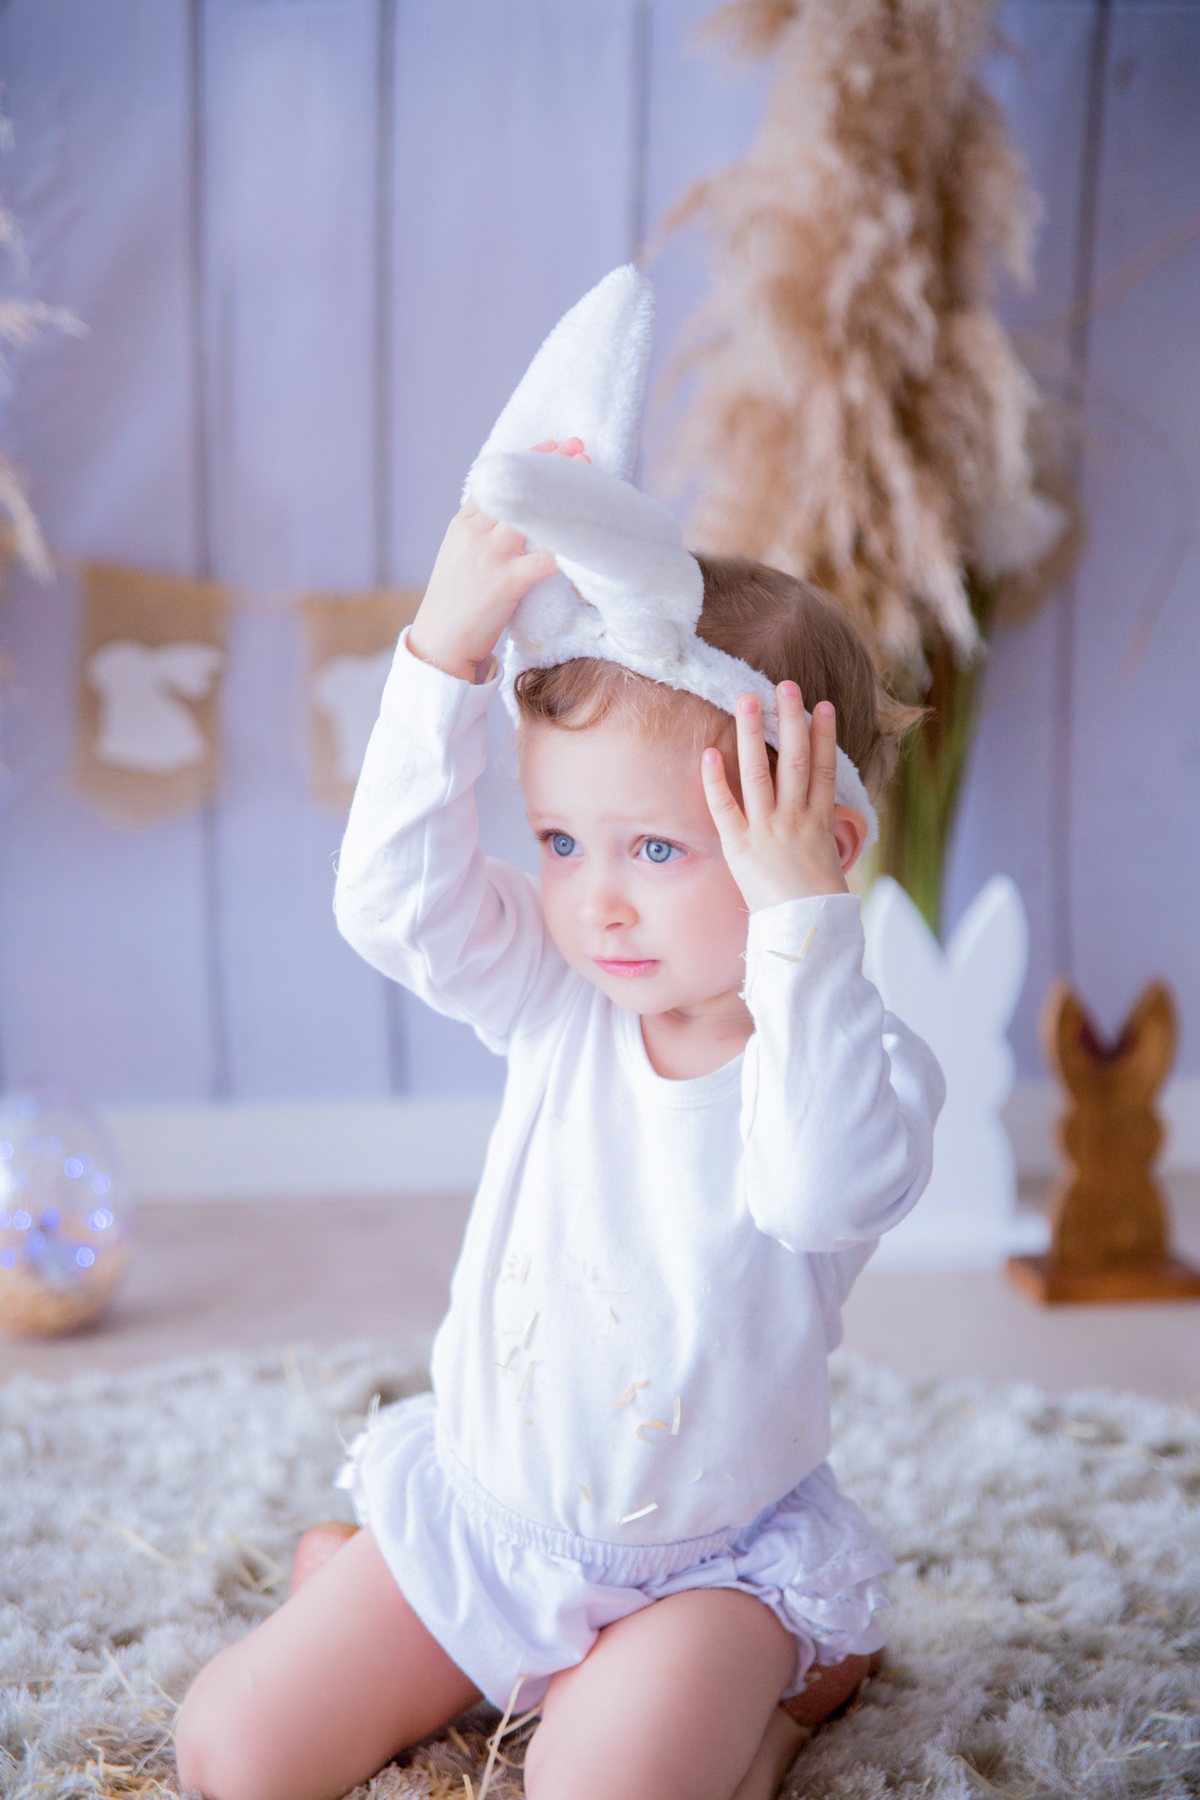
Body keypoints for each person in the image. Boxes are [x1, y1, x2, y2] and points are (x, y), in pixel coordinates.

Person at [174, 276, 944, 1800]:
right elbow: (391, 906)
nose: (594, 900)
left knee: (599, 1790)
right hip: (493, 1517)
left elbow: (812, 1192)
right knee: (231, 1751)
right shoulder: (562, 994)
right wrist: (440, 661)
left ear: (818, 835)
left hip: (706, 1563)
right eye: (559, 840)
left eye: (656, 850)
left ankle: (783, 1683)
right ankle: (452, 1628)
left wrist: (804, 928)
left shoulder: (848, 1062)